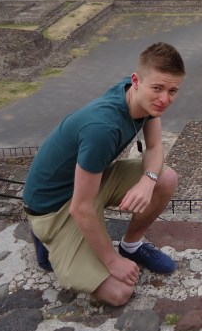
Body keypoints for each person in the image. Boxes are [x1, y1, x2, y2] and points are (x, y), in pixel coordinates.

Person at [22, 42, 185, 307]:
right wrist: (112, 261)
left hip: (85, 185)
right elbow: (81, 208)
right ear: (136, 81)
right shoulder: (103, 129)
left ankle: (131, 246)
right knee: (119, 292)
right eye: (157, 88)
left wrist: (147, 181)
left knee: (165, 179)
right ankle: (48, 237)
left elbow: (155, 147)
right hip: (53, 206)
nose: (165, 99)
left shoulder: (141, 99)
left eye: (172, 91)